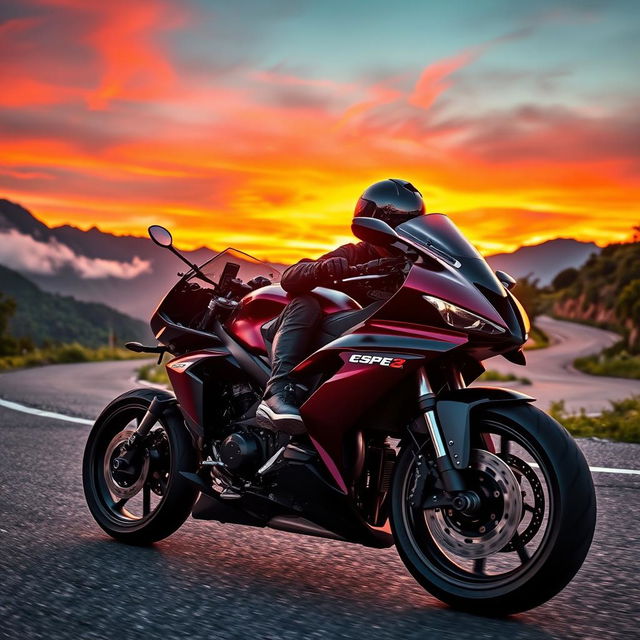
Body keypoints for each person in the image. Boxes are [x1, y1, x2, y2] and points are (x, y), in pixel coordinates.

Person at [255, 178, 426, 434]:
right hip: (333, 338)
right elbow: (291, 277)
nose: (403, 227)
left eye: (411, 220)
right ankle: (278, 391)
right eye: (398, 220)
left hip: (377, 351)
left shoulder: (417, 264)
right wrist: (321, 269)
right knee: (306, 303)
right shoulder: (354, 254)